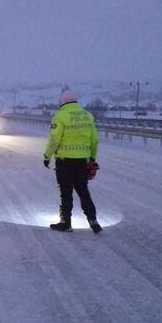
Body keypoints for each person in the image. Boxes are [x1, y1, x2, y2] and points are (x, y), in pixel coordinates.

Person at [43, 89, 102, 233]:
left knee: (66, 192)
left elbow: (54, 139)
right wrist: (92, 158)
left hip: (64, 162)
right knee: (83, 190)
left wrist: (47, 156)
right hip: (82, 161)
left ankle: (66, 223)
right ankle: (93, 221)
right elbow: (94, 140)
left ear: (63, 101)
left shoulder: (61, 116)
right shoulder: (87, 116)